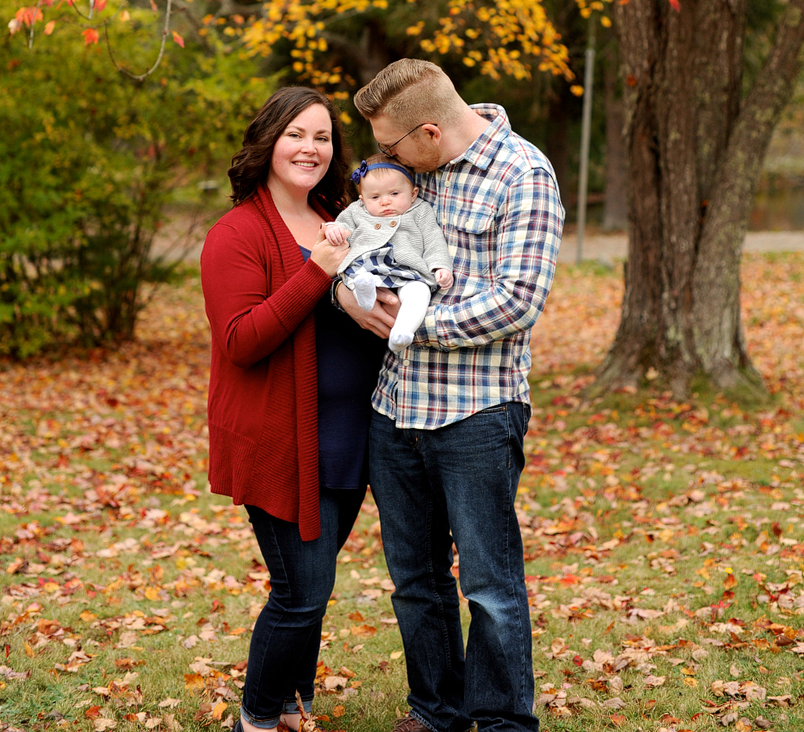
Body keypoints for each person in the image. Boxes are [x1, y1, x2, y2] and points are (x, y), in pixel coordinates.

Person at [337, 59, 564, 732]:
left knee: (489, 585)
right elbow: (354, 247)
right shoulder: (412, 176)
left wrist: (410, 325)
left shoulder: (522, 175)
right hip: (394, 409)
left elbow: (517, 301)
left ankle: (500, 721)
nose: (385, 159)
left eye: (392, 146)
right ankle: (436, 710)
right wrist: (352, 303)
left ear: (429, 132)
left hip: (477, 412)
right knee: (416, 579)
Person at [200, 87, 385, 732]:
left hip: (347, 436)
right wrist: (318, 271)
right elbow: (240, 341)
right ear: (267, 141)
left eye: (323, 137)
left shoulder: (341, 215)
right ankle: (255, 716)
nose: (310, 148)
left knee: (317, 587)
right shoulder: (237, 233)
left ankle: (290, 702)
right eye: (296, 135)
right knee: (301, 591)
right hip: (280, 436)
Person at [325, 154, 454, 353]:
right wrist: (334, 229)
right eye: (375, 197)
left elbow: (433, 239)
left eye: (394, 194)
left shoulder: (420, 210)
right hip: (367, 265)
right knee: (357, 276)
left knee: (420, 292)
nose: (385, 202)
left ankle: (402, 332)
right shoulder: (356, 210)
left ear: (413, 193)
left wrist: (440, 265)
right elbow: (341, 225)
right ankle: (365, 293)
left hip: (408, 270)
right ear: (362, 200)